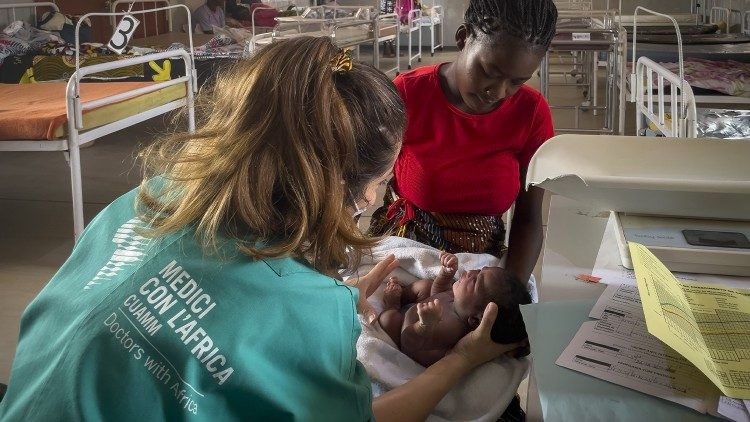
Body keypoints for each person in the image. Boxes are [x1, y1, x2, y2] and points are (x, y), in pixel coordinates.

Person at [0, 37, 524, 421]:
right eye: (382, 181)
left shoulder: (150, 197)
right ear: (340, 185)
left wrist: (326, 301)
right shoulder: (313, 318)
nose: (375, 201)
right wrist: (463, 358)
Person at [368, 0, 558, 288]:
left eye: (517, 82)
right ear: (463, 38)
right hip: (407, 246)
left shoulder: (531, 112)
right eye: (489, 72)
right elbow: (354, 179)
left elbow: (529, 217)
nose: (498, 91)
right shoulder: (408, 94)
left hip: (480, 261)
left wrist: (509, 291)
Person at [379, 252, 531, 367]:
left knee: (388, 320)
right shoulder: (460, 300)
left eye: (476, 281)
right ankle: (402, 292)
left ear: (475, 320)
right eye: (479, 271)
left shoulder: (452, 331)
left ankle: (392, 304)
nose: (471, 272)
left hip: (405, 334)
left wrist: (424, 326)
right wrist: (445, 275)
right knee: (425, 285)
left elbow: (409, 344)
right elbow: (437, 293)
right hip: (420, 310)